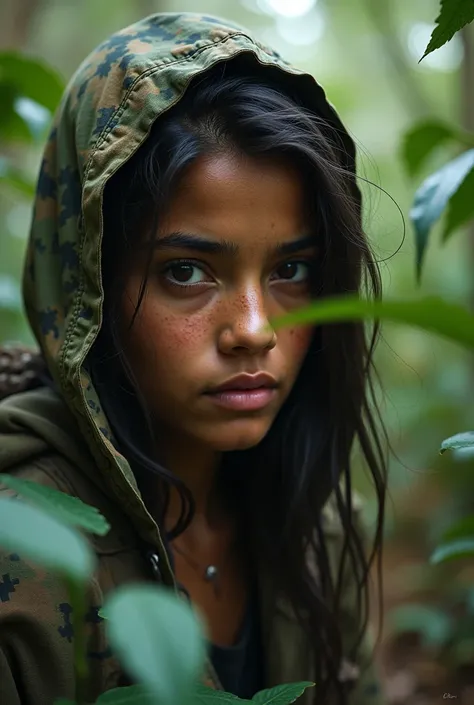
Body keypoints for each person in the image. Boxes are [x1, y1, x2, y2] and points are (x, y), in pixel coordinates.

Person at [0, 12, 387, 705]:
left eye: (292, 268)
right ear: (89, 283)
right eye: (187, 272)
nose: (253, 329)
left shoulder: (318, 529)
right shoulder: (21, 544)